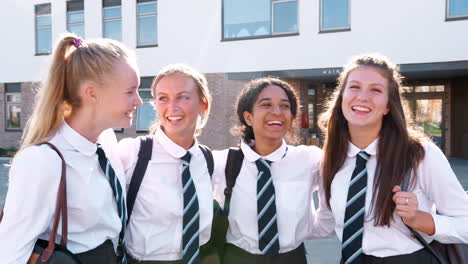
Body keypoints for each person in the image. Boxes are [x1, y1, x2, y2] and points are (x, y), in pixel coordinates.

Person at [0, 33, 142, 264]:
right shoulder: (41, 161)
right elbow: (9, 254)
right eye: (130, 91)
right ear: (91, 92)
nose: (139, 101)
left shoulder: (105, 140)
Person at [317, 53, 468, 263]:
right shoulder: (330, 158)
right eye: (354, 87)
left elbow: (465, 223)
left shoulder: (419, 154)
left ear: (388, 105)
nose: (362, 96)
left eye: (376, 90)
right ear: (341, 96)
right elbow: (323, 224)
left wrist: (422, 220)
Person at [212, 77, 322, 264]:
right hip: (238, 258)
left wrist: (312, 228)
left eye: (285, 106)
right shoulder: (221, 162)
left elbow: (344, 178)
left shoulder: (309, 159)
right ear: (248, 117)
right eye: (266, 104)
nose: (277, 112)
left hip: (291, 258)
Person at [115, 64, 213, 264]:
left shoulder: (208, 159)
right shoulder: (132, 152)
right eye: (163, 98)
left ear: (203, 105)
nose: (172, 107)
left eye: (183, 97)